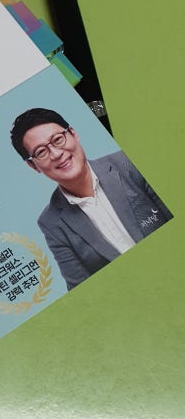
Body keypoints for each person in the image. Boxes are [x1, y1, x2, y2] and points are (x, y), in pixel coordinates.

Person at [10, 108, 172, 290]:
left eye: (57, 140)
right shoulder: (51, 222)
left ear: (73, 133)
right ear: (33, 165)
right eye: (41, 152)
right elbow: (84, 291)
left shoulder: (128, 163)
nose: (56, 154)